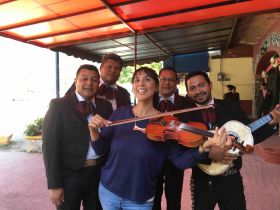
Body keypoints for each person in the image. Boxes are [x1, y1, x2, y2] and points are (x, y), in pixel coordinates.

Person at [87, 67, 233, 210]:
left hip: (139, 199)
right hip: (108, 191)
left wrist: (205, 145)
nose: (141, 84)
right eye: (137, 80)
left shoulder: (167, 122)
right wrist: (93, 131)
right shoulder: (119, 114)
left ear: (156, 87)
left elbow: (180, 161)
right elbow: (100, 148)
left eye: (147, 79)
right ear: (133, 86)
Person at [184, 71, 280, 210]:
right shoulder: (185, 116)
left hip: (231, 178)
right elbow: (186, 151)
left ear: (210, 85)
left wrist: (271, 124)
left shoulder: (231, 106)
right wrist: (208, 154)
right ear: (187, 92)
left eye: (201, 85)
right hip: (202, 181)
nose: (198, 91)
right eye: (192, 88)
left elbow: (249, 136)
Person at [42, 64, 113, 210]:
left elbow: (108, 139)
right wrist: (54, 185)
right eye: (84, 79)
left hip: (98, 174)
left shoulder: (105, 106)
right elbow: (50, 147)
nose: (89, 83)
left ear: (98, 83)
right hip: (69, 175)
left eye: (94, 80)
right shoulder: (59, 105)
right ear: (76, 81)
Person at [153, 68, 187, 210]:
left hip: (175, 157)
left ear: (176, 82)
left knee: (174, 199)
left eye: (171, 80)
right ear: (158, 81)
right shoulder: (149, 100)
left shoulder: (186, 103)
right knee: (153, 198)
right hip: (152, 156)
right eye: (163, 79)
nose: (167, 83)